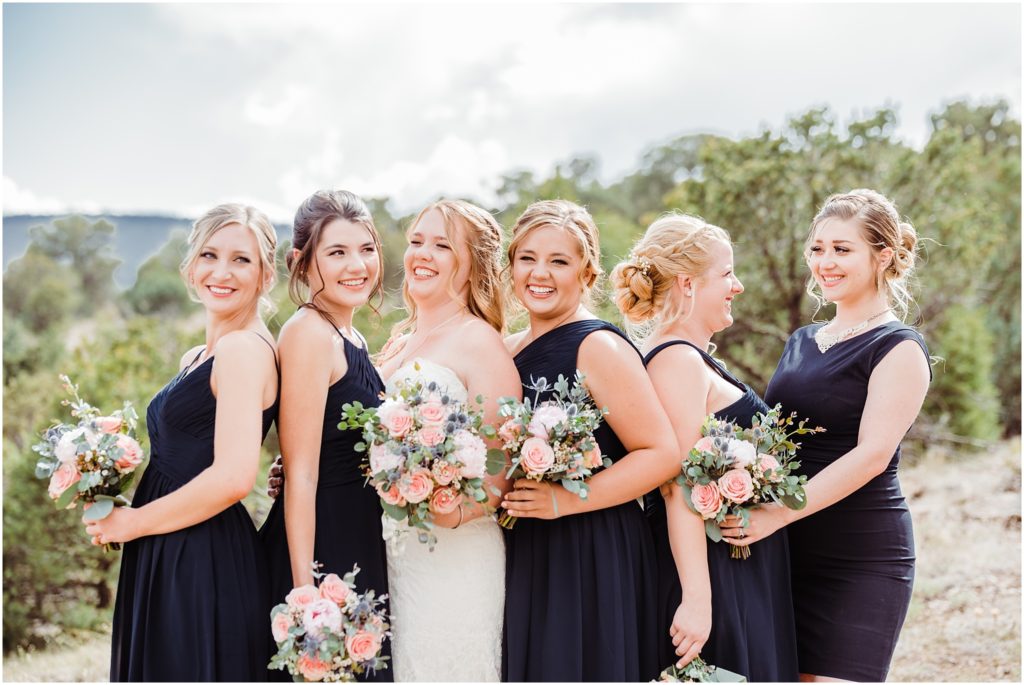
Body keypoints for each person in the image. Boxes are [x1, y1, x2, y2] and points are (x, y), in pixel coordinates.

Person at [728, 189, 931, 682]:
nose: (825, 262)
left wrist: (775, 514)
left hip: (860, 552)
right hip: (786, 548)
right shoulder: (801, 341)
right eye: (818, 248)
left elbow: (872, 456)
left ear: (882, 256)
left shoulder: (898, 347)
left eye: (843, 249)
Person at [84, 203, 280, 681]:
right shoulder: (200, 354)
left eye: (241, 260)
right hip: (169, 547)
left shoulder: (241, 351)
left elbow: (234, 477)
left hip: (201, 559)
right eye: (210, 255)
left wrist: (132, 524)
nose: (222, 272)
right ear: (191, 267)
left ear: (265, 275)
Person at [611, 213, 800, 681]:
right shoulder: (675, 360)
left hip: (736, 565)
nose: (737, 285)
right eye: (726, 274)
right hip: (714, 573)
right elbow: (678, 485)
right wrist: (698, 599)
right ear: (688, 283)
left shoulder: (689, 356)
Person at [499, 200, 678, 682]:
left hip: (590, 548)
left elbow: (661, 453)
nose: (540, 273)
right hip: (525, 543)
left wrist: (562, 502)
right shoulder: (505, 347)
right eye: (528, 258)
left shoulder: (598, 345)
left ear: (587, 272)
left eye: (559, 261)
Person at [375, 199, 521, 682]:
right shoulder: (399, 342)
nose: (422, 254)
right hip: (395, 553)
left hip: (455, 557)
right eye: (417, 241)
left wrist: (449, 509)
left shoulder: (480, 342)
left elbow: (501, 474)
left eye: (442, 245)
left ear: (471, 264)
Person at [257, 190, 391, 681]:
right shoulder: (309, 333)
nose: (357, 265)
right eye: (337, 252)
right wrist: (305, 594)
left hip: (357, 534)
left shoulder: (349, 335)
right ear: (301, 262)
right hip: (323, 547)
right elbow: (302, 473)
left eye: (367, 248)